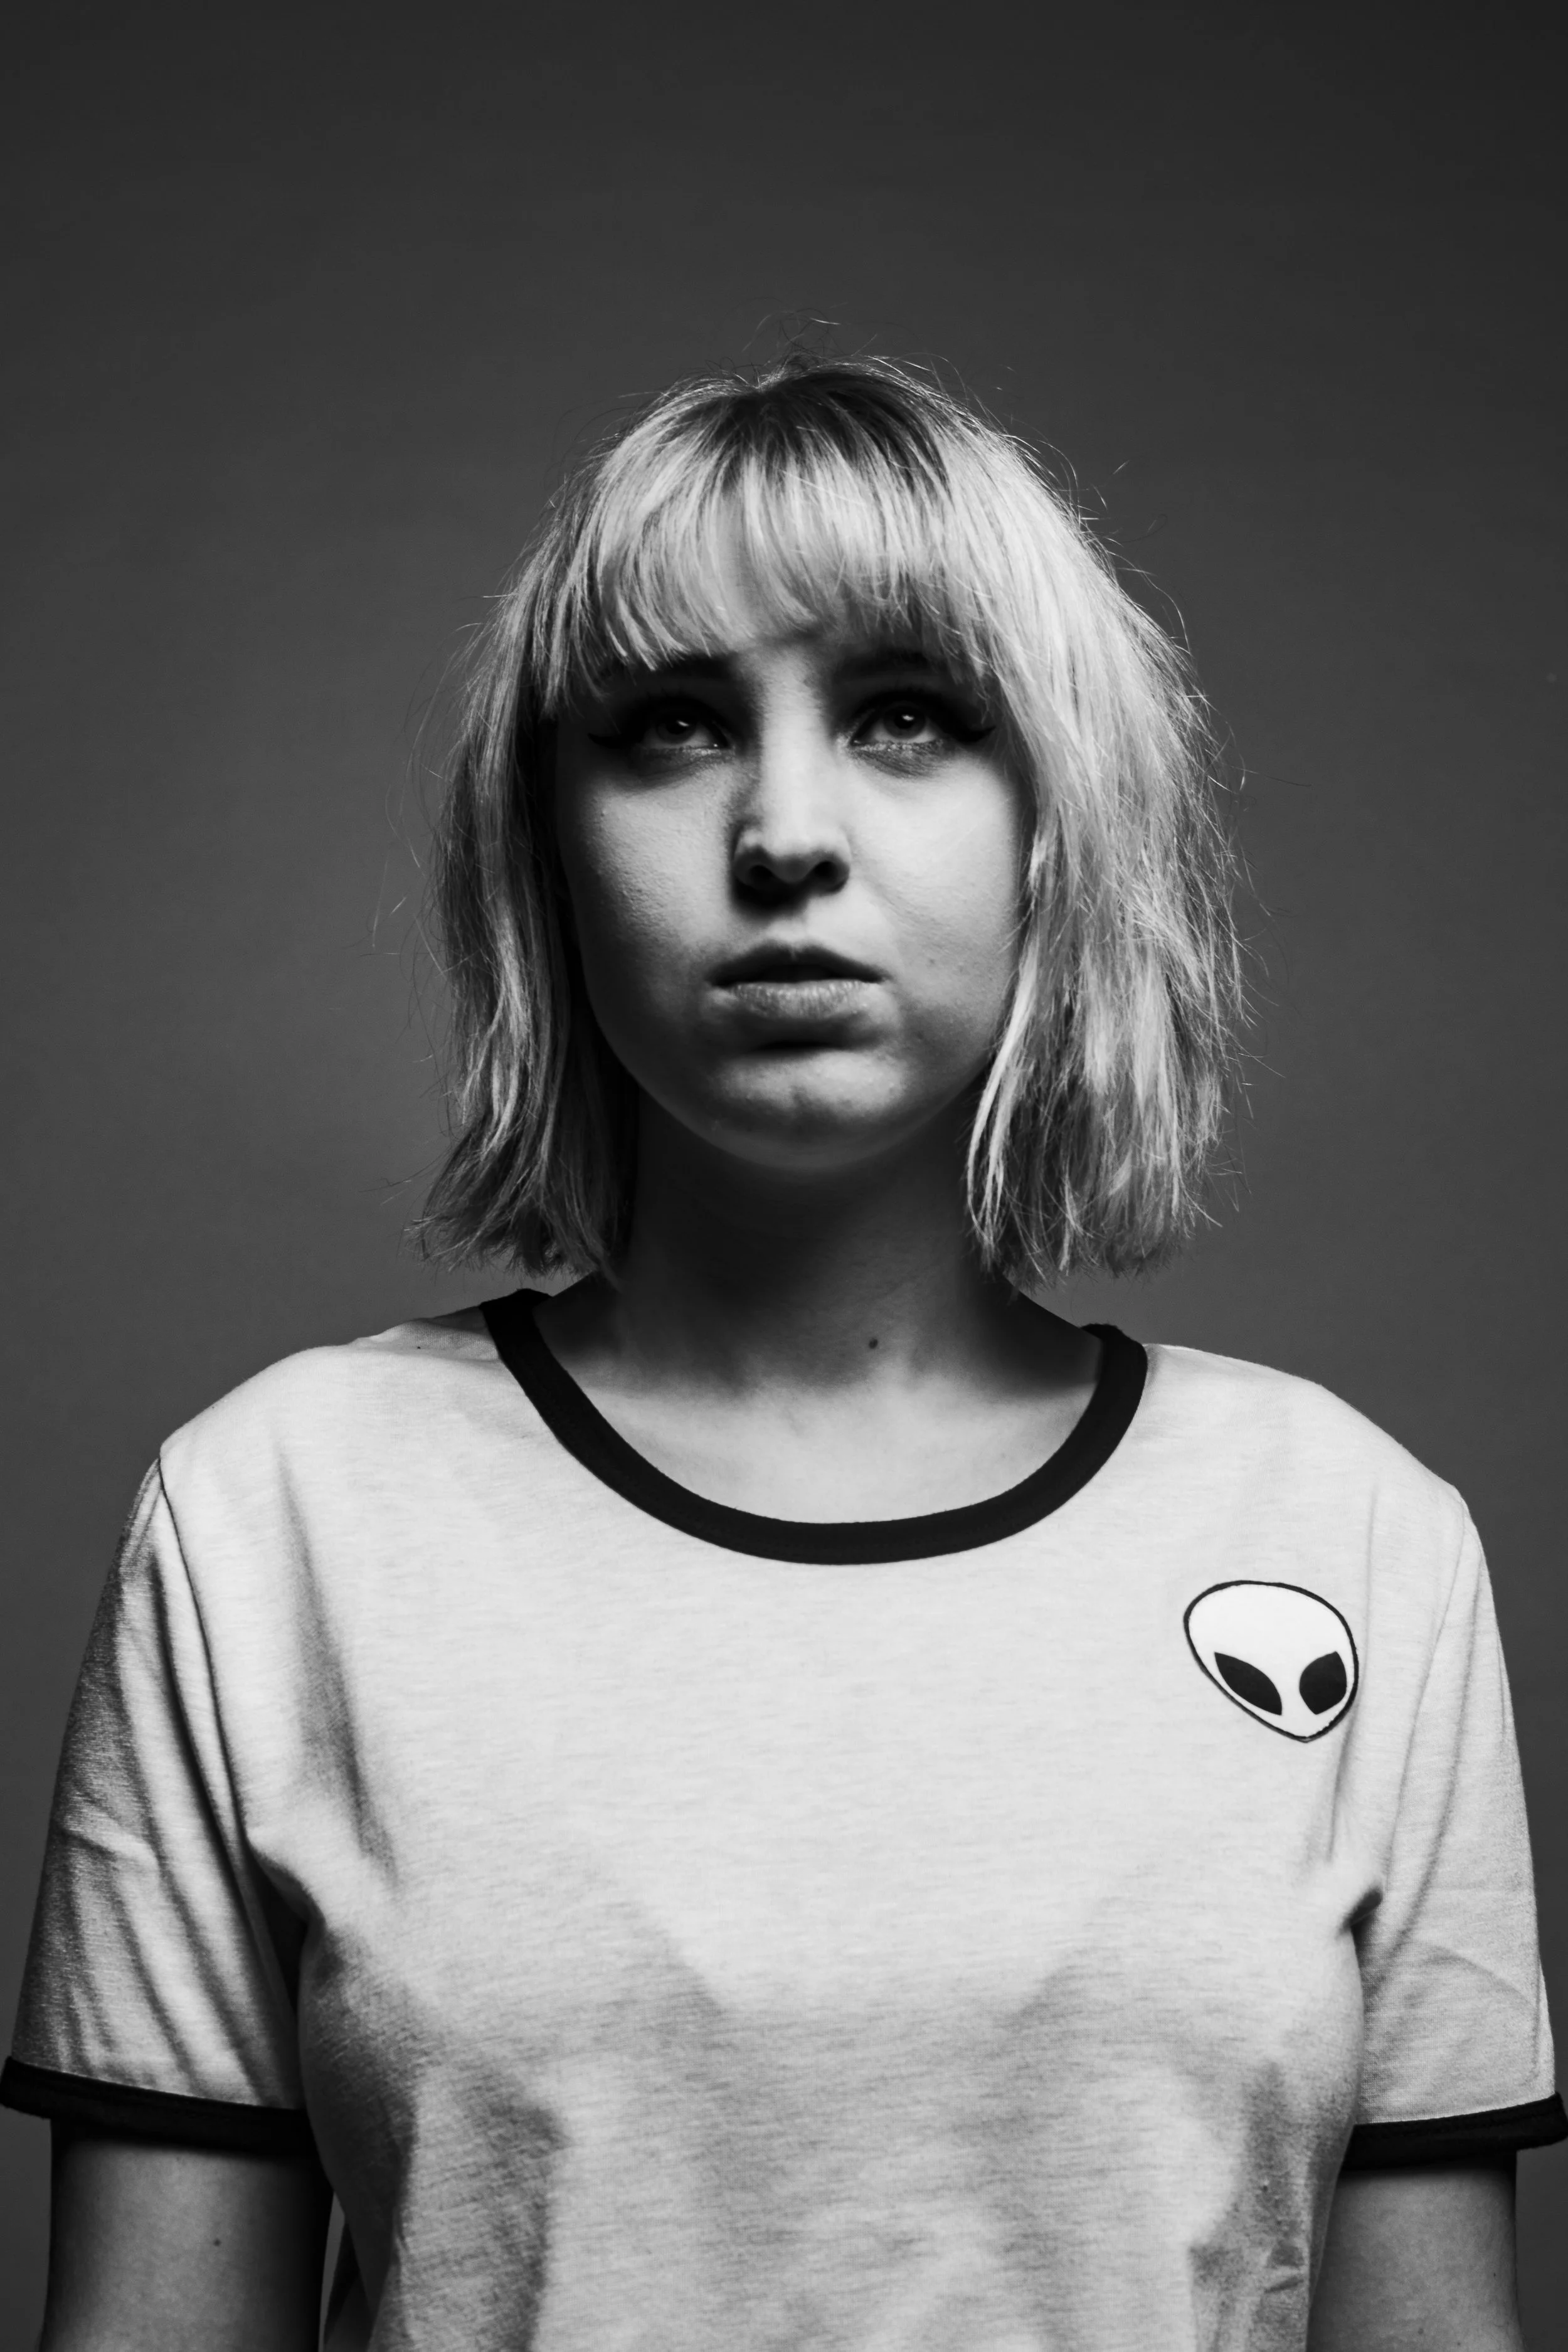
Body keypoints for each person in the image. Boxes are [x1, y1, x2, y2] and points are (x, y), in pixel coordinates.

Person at [4, 352, 1561, 2352]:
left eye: (909, 712)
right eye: (666, 725)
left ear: (1058, 819)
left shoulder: (1354, 1537)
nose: (784, 833)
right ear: (542, 846)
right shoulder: (267, 1520)